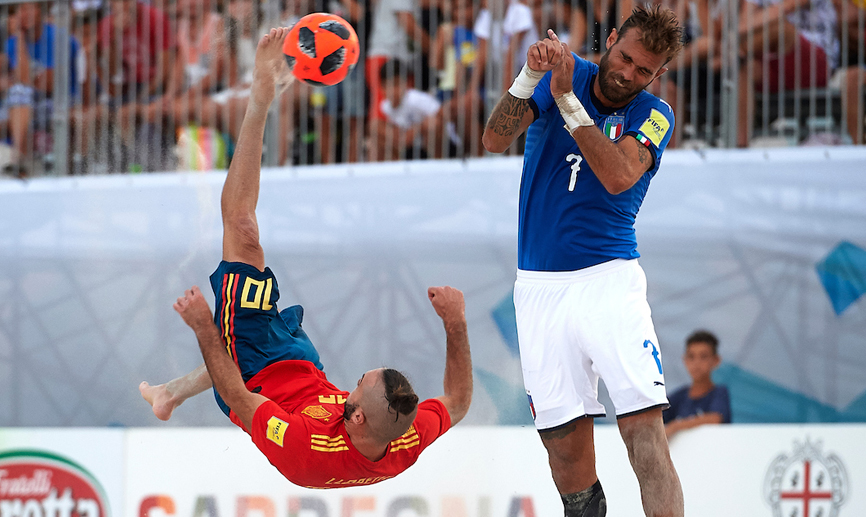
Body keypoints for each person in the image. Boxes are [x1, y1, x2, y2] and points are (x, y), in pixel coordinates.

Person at [139, 27, 473, 489]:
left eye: (357, 384)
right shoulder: (402, 436)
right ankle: (170, 393)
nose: (352, 385)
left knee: (242, 229)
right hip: (301, 367)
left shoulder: (304, 446)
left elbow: (235, 394)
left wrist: (203, 327)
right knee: (258, 294)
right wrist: (455, 323)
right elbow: (457, 401)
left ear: (354, 419)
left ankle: (260, 95)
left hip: (255, 378)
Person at [481, 5, 684, 516]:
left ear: (658, 75)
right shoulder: (563, 74)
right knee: (566, 455)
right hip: (538, 288)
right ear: (612, 39)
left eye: (644, 71)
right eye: (626, 57)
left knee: (644, 435)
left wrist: (568, 99)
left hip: (608, 282)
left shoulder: (653, 114)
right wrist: (531, 74)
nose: (628, 74)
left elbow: (618, 177)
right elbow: (492, 140)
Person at [663, 330, 731, 439]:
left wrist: (676, 426)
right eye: (691, 357)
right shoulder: (678, 396)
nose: (696, 363)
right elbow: (656, 417)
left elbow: (715, 419)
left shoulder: (719, 393)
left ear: (716, 360)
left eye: (703, 356)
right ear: (685, 360)